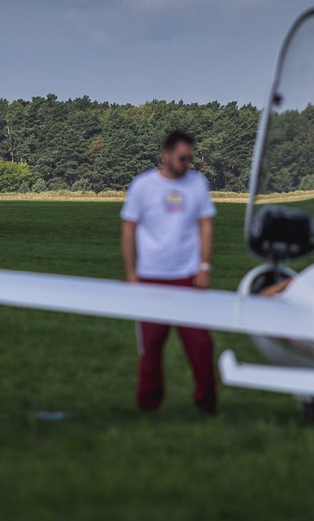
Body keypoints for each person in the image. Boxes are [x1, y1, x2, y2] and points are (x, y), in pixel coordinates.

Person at [120, 130, 218, 414]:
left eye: (190, 158)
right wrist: (131, 272)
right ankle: (148, 404)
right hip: (150, 277)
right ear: (166, 155)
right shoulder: (142, 186)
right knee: (150, 347)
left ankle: (206, 402)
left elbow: (206, 225)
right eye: (182, 158)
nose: (186, 163)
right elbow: (128, 229)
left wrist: (204, 266)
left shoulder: (197, 184)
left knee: (201, 346)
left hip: (188, 277)